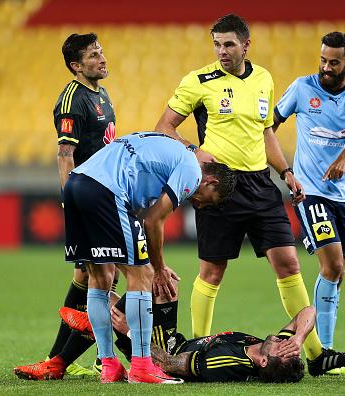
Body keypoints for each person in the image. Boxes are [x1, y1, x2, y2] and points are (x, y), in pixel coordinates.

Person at [154, 13, 333, 376]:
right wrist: (192, 151)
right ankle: (195, 350)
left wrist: (286, 171)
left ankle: (315, 355)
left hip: (262, 185)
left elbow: (266, 132)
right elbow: (164, 127)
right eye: (217, 44)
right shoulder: (198, 81)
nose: (221, 51)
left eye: (229, 44)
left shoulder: (264, 78)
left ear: (246, 45)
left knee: (289, 263)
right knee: (213, 270)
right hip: (219, 186)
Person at [61, 132, 236, 384]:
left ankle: (109, 365)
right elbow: (153, 220)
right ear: (210, 181)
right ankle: (142, 367)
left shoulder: (168, 151)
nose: (199, 204)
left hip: (75, 184)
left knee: (101, 277)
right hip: (105, 190)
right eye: (206, 200)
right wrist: (160, 267)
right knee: (142, 275)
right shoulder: (191, 170)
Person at [13, 32, 118, 380]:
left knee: (89, 276)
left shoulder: (100, 93)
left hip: (105, 195)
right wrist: (72, 201)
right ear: (75, 65)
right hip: (88, 199)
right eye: (92, 55)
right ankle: (92, 359)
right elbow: (65, 154)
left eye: (101, 52)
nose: (101, 59)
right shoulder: (72, 99)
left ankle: (59, 359)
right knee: (104, 275)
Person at [273, 32, 345, 375]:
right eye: (323, 60)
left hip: (344, 195)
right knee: (331, 266)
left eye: (334, 62)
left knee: (337, 272)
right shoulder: (302, 88)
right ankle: (322, 352)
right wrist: (286, 171)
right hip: (310, 191)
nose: (326, 67)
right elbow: (268, 125)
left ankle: (325, 356)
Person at [60, 301, 345, 383]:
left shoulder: (227, 364)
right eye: (290, 347)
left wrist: (129, 332)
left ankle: (68, 355)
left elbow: (170, 364)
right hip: (174, 338)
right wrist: (297, 337)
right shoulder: (269, 346)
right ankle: (95, 328)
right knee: (163, 280)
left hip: (158, 349)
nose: (285, 343)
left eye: (284, 349)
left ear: (265, 362)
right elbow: (309, 311)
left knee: (108, 303)